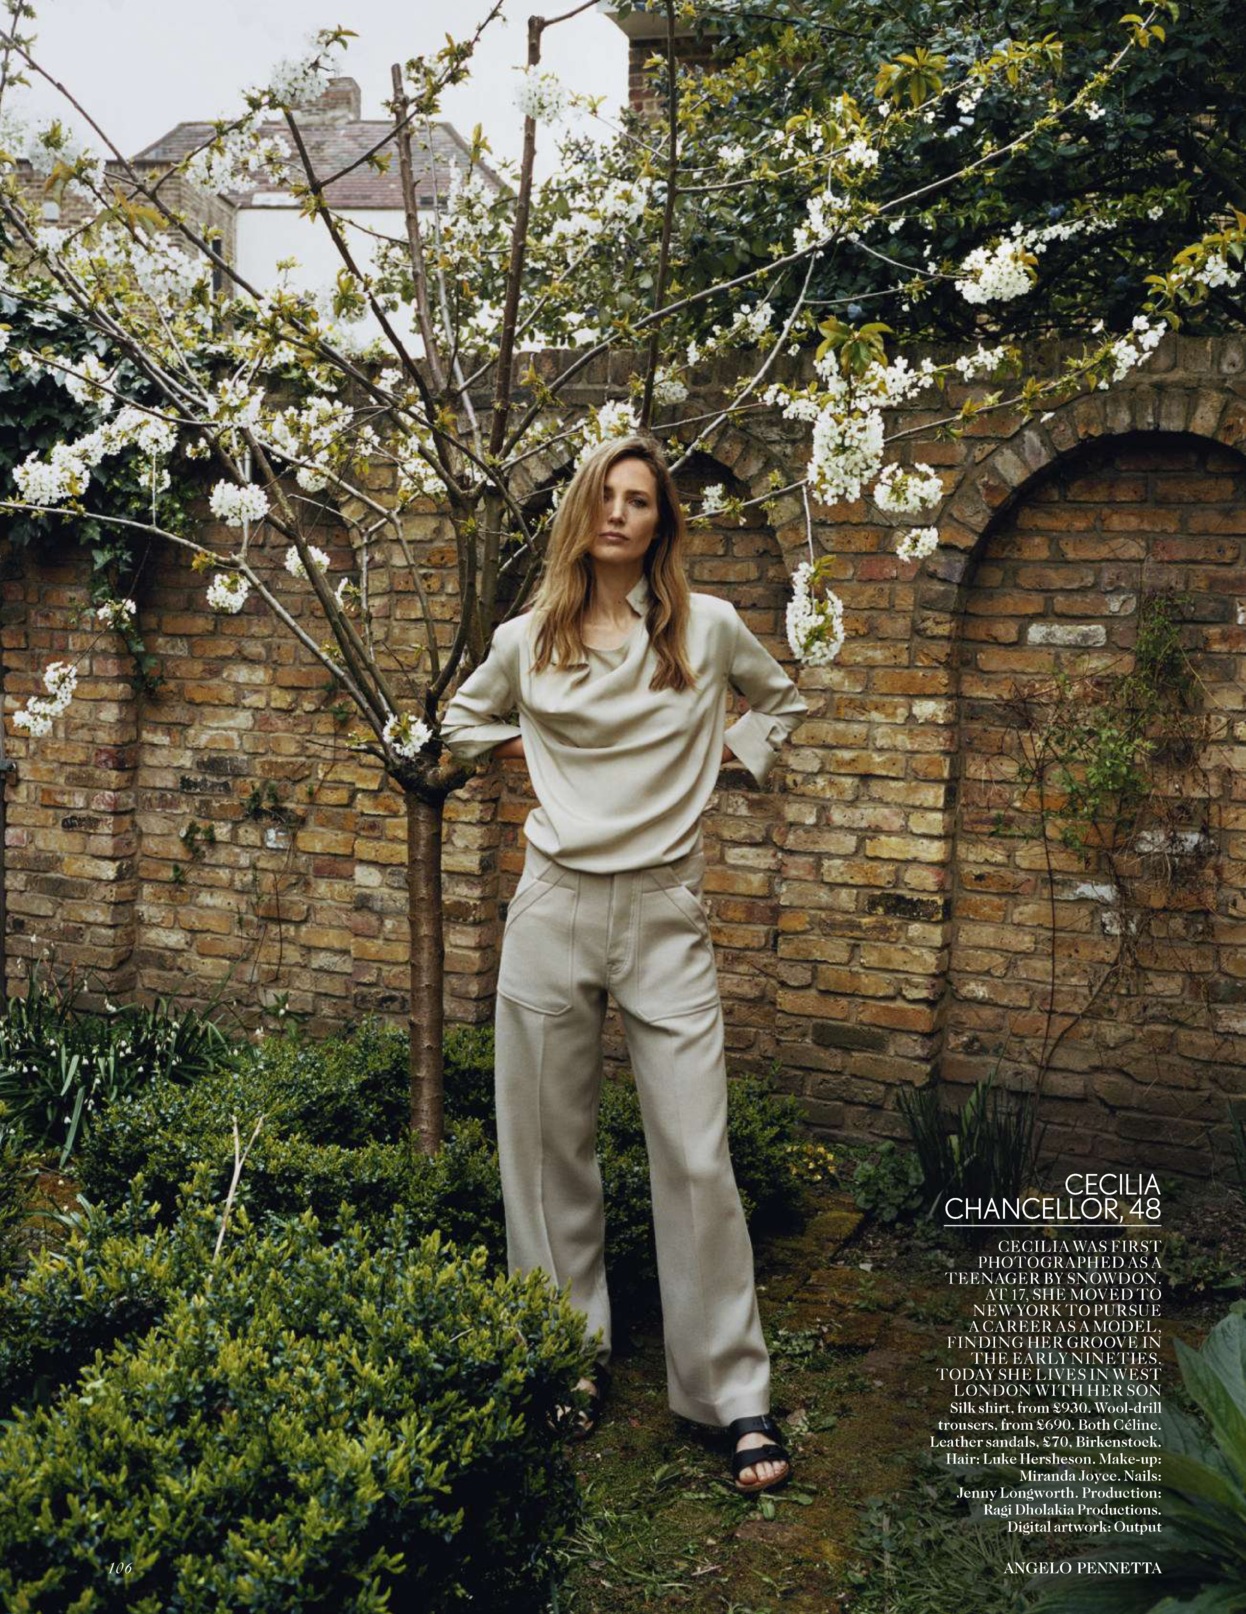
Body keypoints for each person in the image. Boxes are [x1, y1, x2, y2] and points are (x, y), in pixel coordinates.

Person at [440, 433, 807, 1494]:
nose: (619, 513)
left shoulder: (709, 628)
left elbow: (781, 700)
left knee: (695, 1152)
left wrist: (719, 759)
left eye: (639, 500)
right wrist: (534, 752)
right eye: (604, 496)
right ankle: (567, 1357)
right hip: (551, 906)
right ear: (579, 513)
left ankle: (730, 1392)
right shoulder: (526, 641)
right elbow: (460, 724)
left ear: (661, 523)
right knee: (545, 1149)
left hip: (663, 911)